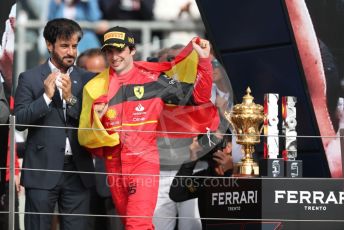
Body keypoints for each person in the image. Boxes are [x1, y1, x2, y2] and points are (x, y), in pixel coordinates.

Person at [78, 26, 218, 229]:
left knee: (137, 225)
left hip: (143, 165)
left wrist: (204, 61)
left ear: (132, 50)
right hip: (114, 167)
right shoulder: (95, 86)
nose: (114, 56)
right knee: (132, 224)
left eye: (120, 50)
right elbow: (87, 139)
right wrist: (96, 121)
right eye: (109, 51)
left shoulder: (153, 80)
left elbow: (198, 97)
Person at [14, 18, 95, 230]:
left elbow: (93, 120)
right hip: (41, 169)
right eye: (64, 46)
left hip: (78, 171)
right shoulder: (29, 78)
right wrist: (46, 99)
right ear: (49, 45)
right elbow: (20, 121)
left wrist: (71, 99)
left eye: (75, 46)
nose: (71, 52)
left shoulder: (88, 79)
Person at [153, 44, 202, 230]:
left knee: (191, 226)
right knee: (158, 226)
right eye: (168, 61)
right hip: (159, 171)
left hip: (193, 168)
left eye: (179, 60)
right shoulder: (148, 92)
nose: (173, 65)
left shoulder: (200, 92)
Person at [76, 48, 123, 230]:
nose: (93, 79)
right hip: (79, 181)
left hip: (113, 181)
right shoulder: (69, 100)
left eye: (98, 74)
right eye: (87, 73)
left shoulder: (121, 96)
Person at [169, 131, 233, 229]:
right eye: (207, 142)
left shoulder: (243, 173)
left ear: (228, 147)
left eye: (214, 142)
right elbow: (176, 194)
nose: (210, 147)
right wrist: (191, 160)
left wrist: (231, 170)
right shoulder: (204, 180)